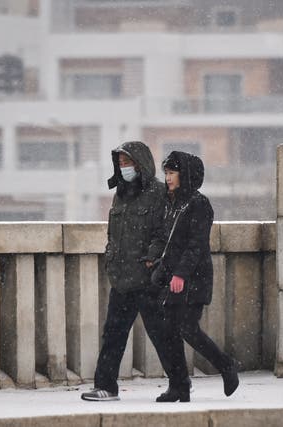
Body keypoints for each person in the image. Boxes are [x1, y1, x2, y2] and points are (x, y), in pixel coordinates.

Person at [81, 141, 184, 401]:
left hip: (148, 279)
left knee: (161, 334)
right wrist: (111, 258)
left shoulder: (159, 193)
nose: (124, 167)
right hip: (121, 279)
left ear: (140, 164)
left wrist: (152, 258)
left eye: (128, 162)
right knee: (113, 334)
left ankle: (180, 382)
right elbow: (113, 235)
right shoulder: (120, 194)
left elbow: (165, 232)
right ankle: (105, 386)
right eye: (121, 163)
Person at [154, 151, 239, 403]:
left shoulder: (198, 204)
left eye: (172, 173)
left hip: (194, 278)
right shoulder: (172, 203)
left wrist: (181, 273)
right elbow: (167, 241)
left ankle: (226, 365)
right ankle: (178, 385)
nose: (168, 178)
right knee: (168, 332)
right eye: (166, 173)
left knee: (187, 329)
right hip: (172, 278)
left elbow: (196, 244)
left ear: (185, 175)